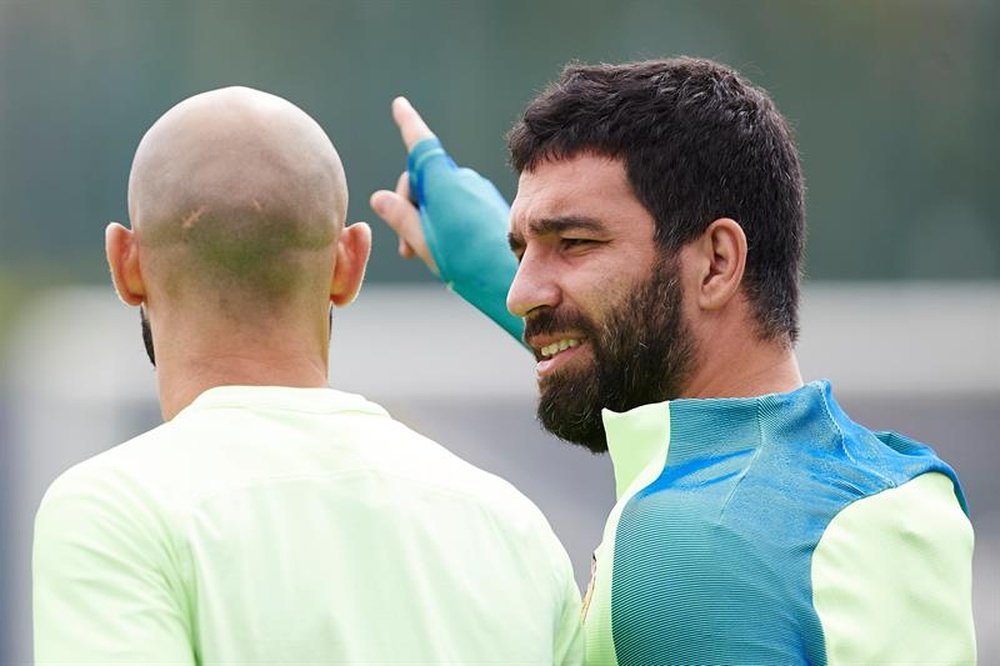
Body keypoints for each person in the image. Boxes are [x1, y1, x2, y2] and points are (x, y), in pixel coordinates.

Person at [371, 58, 977, 664]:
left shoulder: (685, 548)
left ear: (716, 262)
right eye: (522, 251)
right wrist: (480, 252)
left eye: (574, 242)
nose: (520, 292)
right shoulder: (894, 483)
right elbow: (650, 346)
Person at [32, 87, 583, 665]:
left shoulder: (115, 513)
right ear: (349, 263)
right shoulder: (512, 528)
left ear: (125, 263)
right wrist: (525, 291)